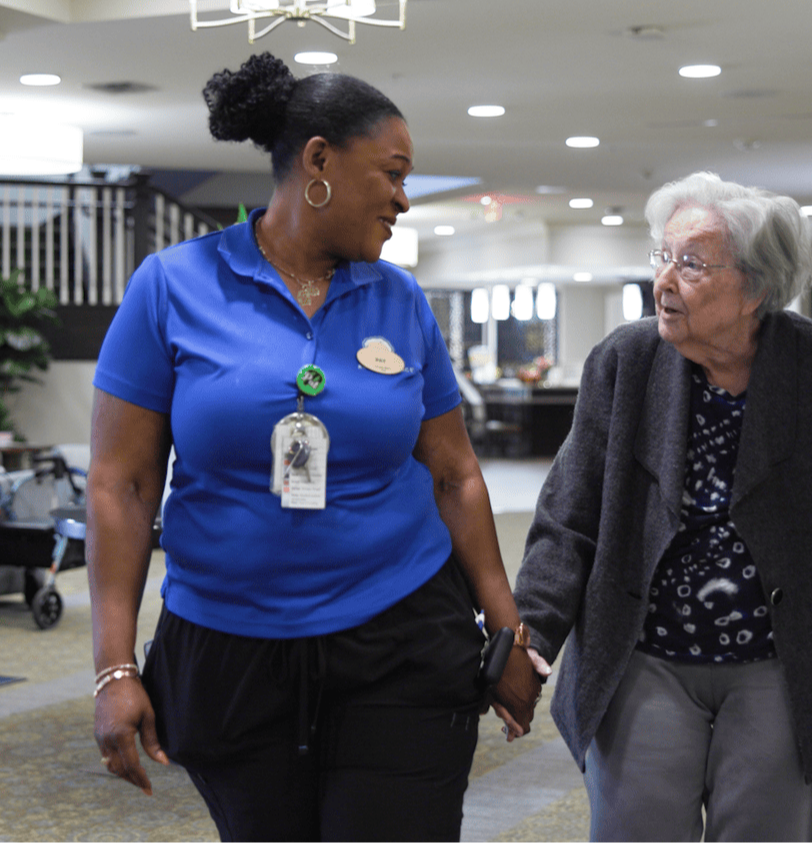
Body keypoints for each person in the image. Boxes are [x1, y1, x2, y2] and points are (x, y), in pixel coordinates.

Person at [87, 52, 541, 843]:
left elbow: (457, 473)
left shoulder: (398, 299)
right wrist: (115, 666)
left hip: (400, 633)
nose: (404, 198)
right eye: (392, 173)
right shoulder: (172, 286)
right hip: (230, 648)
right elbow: (120, 485)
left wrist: (508, 634)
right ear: (319, 161)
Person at [512, 171, 812, 843]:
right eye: (662, 256)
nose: (663, 280)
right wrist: (531, 638)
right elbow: (568, 517)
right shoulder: (625, 362)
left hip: (785, 660)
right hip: (643, 653)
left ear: (757, 288)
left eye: (691, 264)